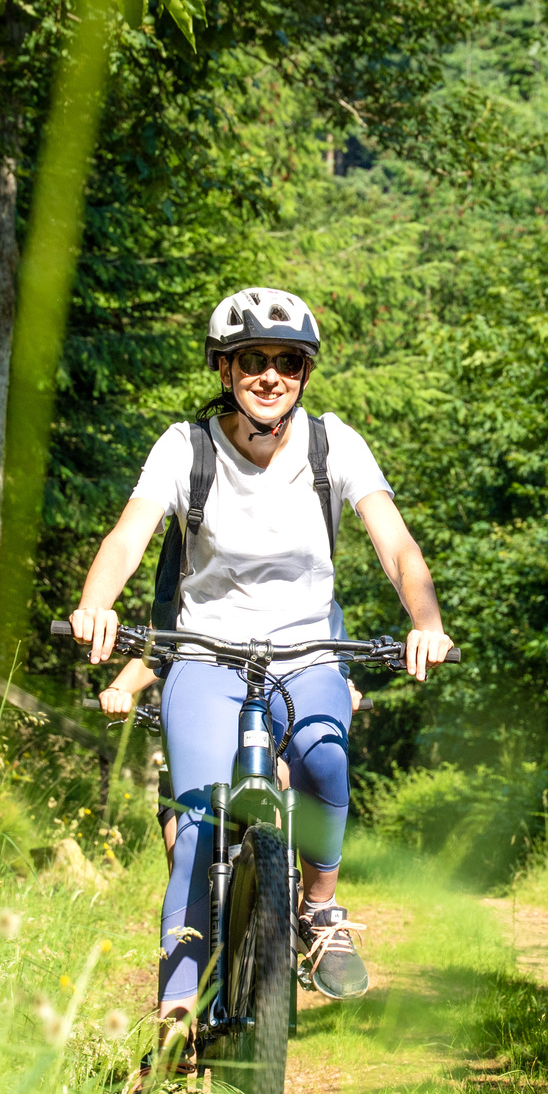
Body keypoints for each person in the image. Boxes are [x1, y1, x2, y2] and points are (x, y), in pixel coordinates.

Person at [69, 287, 453, 1023]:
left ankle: (319, 910)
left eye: (287, 361)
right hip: (207, 654)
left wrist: (425, 621)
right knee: (198, 821)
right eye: (253, 359)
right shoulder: (185, 448)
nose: (271, 375)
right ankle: (178, 1016)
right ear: (224, 369)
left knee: (325, 756)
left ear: (304, 373)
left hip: (309, 650)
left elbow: (396, 546)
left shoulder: (332, 443)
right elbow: (128, 536)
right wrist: (97, 603)